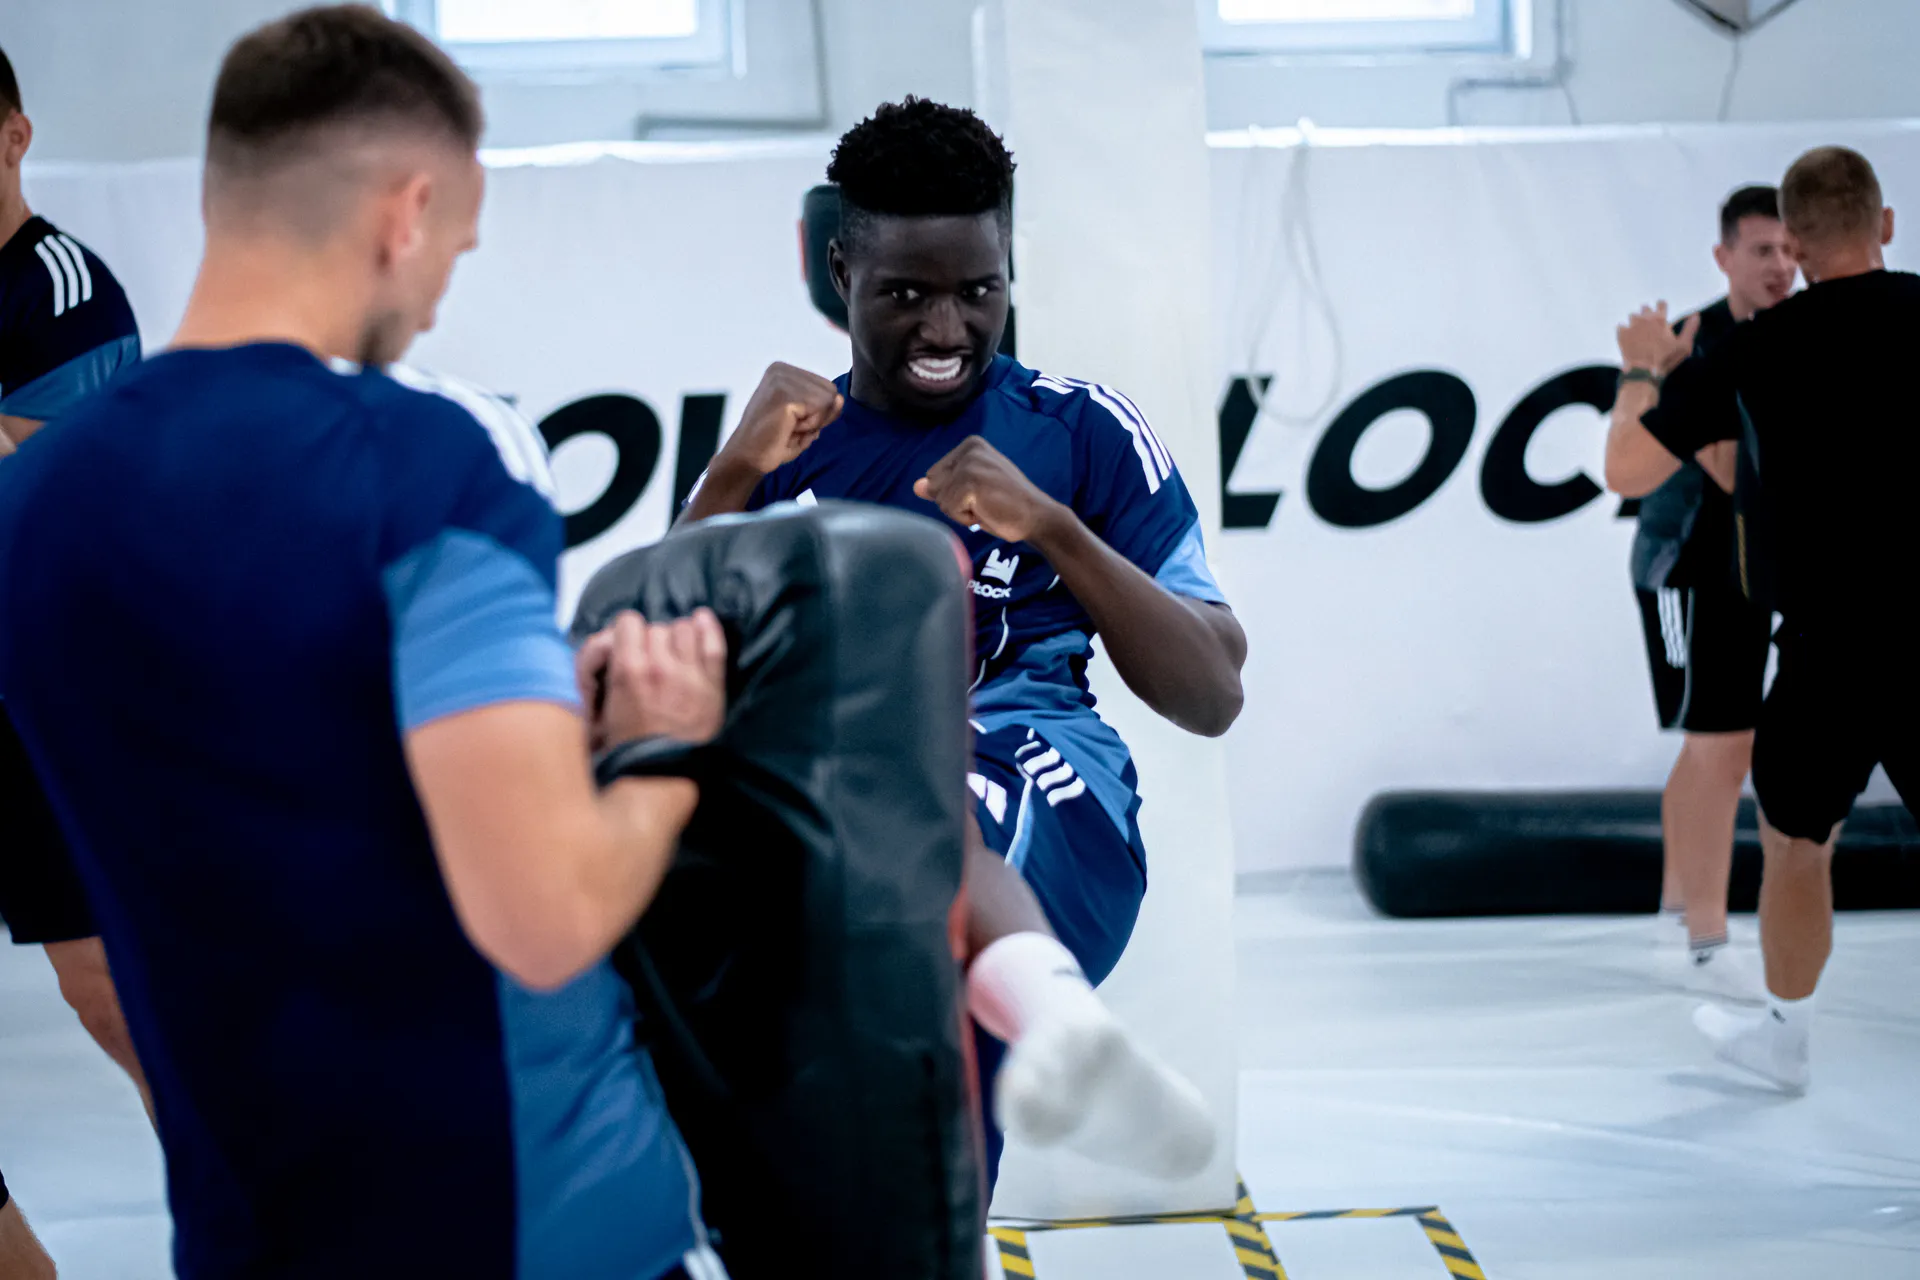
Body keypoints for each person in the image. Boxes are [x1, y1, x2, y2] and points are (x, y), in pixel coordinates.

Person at [0, 9, 729, 1277]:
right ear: (407, 212)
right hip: (522, 1220)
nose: (438, 295)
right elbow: (545, 914)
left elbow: (271, 758)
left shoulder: (33, 505)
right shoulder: (436, 454)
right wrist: (667, 750)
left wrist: (527, 720)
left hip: (248, 1230)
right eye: (455, 246)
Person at [683, 97, 1248, 1178]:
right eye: (907, 293)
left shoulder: (1081, 429)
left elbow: (1214, 692)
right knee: (893, 1096)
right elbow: (657, 663)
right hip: (845, 812)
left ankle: (1051, 1012)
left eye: (978, 291)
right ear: (841, 271)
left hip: (1045, 796)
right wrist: (730, 475)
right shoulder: (786, 447)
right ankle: (1023, 1077)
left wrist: (1057, 530)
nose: (947, 330)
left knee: (908, 822)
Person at [1603, 145, 1916, 1094]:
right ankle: (1712, 950)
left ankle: (1787, 1039)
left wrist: (1643, 368)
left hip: (1828, 653)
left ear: (1799, 245)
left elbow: (1624, 470)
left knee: (1794, 848)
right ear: (1886, 225)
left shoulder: (1755, 347)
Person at [0, 40, 147, 1278]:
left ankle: (268, 1226)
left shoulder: (62, 289)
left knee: (116, 993)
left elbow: (42, 494)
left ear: (15, 139)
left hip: (45, 696)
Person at [1628, 185, 1794, 999]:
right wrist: (1666, 368)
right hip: (1687, 569)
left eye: (1790, 249)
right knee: (1717, 748)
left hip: (1757, 567)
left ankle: (1676, 907)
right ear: (1725, 256)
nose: (1780, 265)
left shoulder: (1799, 333)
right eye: (1762, 250)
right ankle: (1705, 937)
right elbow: (1730, 473)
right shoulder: (1696, 342)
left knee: (1710, 746)